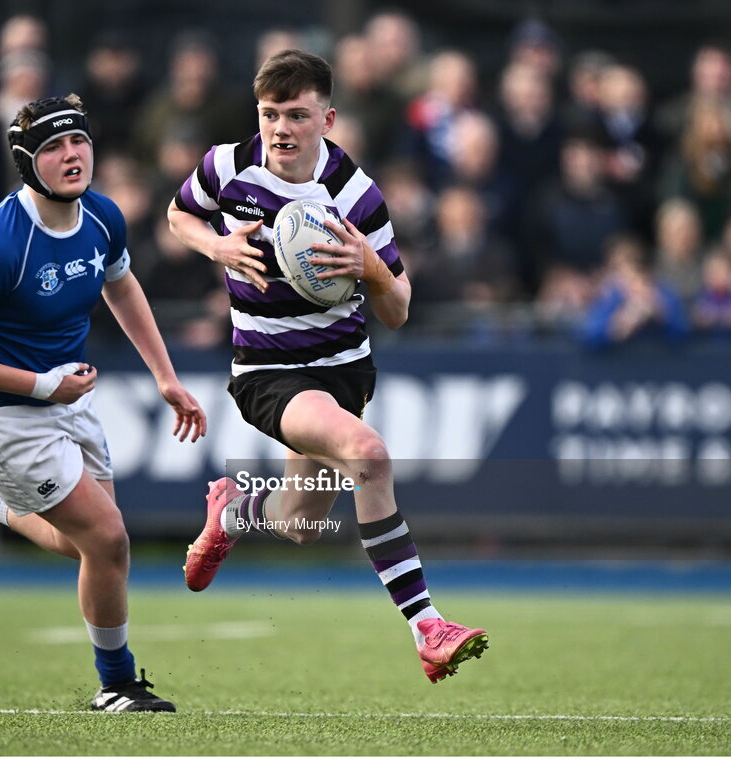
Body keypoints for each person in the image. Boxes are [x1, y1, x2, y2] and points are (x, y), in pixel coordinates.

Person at [167, 49, 488, 684]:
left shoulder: (355, 194)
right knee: (368, 454)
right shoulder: (227, 165)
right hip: (268, 370)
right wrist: (217, 245)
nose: (280, 128)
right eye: (269, 115)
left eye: (296, 115)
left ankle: (231, 516)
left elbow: (397, 309)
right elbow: (179, 214)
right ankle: (428, 626)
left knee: (301, 522)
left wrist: (370, 265)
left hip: (342, 369)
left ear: (328, 118)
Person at [0, 94, 206, 713]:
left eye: (79, 142)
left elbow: (122, 285)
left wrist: (165, 376)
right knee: (107, 541)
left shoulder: (102, 216)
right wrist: (45, 386)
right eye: (52, 148)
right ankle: (116, 684)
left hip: (63, 395)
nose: (72, 155)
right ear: (26, 162)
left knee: (88, 546)